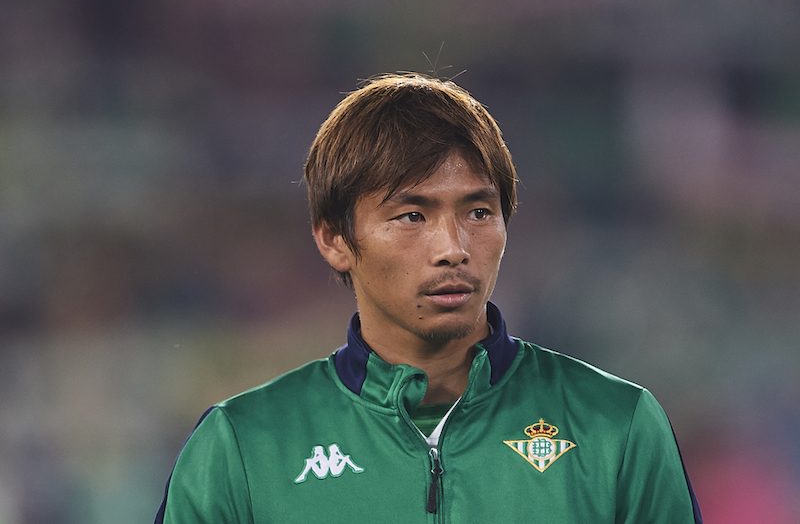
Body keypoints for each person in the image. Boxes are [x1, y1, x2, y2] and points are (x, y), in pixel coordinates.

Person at [155, 73, 702, 523]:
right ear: (334, 240)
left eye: (479, 212)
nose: (453, 249)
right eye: (412, 216)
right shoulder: (244, 446)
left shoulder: (616, 426)